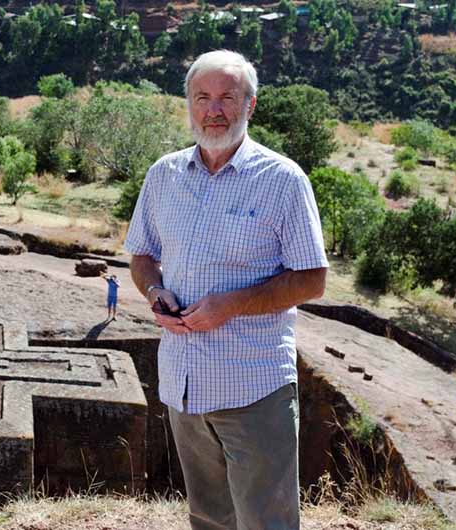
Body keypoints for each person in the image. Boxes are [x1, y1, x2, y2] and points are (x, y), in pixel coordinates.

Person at [124, 49, 329, 530]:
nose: (213, 109)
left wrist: (231, 306)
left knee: (265, 523)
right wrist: (154, 292)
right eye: (202, 97)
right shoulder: (164, 175)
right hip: (183, 383)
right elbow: (140, 256)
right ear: (189, 104)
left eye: (227, 98)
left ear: (250, 105)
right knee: (210, 518)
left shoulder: (282, 181)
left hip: (253, 385)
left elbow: (312, 279)